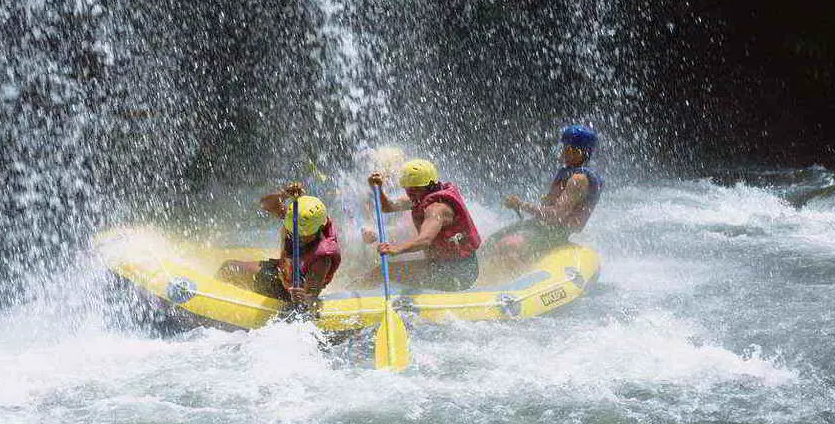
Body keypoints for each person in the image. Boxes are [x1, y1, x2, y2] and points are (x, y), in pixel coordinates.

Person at [485, 125, 603, 270]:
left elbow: (556, 216)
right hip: (544, 227)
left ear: (578, 152)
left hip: (555, 233)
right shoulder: (570, 173)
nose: (563, 152)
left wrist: (522, 204)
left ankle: (512, 281)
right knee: (491, 241)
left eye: (567, 148)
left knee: (508, 246)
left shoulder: (578, 180)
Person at [368, 159, 482, 291]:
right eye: (408, 190)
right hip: (442, 265)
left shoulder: (436, 209)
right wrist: (378, 189)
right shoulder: (420, 197)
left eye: (415, 190)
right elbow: (388, 207)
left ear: (430, 185)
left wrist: (396, 249)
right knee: (383, 271)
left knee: (381, 272)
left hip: (458, 273)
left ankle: (347, 294)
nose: (410, 194)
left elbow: (425, 240)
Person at [251, 183, 342, 307]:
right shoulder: (295, 219)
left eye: (303, 234)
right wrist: (284, 194)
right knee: (227, 267)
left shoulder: (322, 259)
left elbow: (311, 298)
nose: (296, 236)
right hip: (281, 271)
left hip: (285, 291)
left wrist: (304, 297)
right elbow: (265, 204)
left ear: (318, 229)